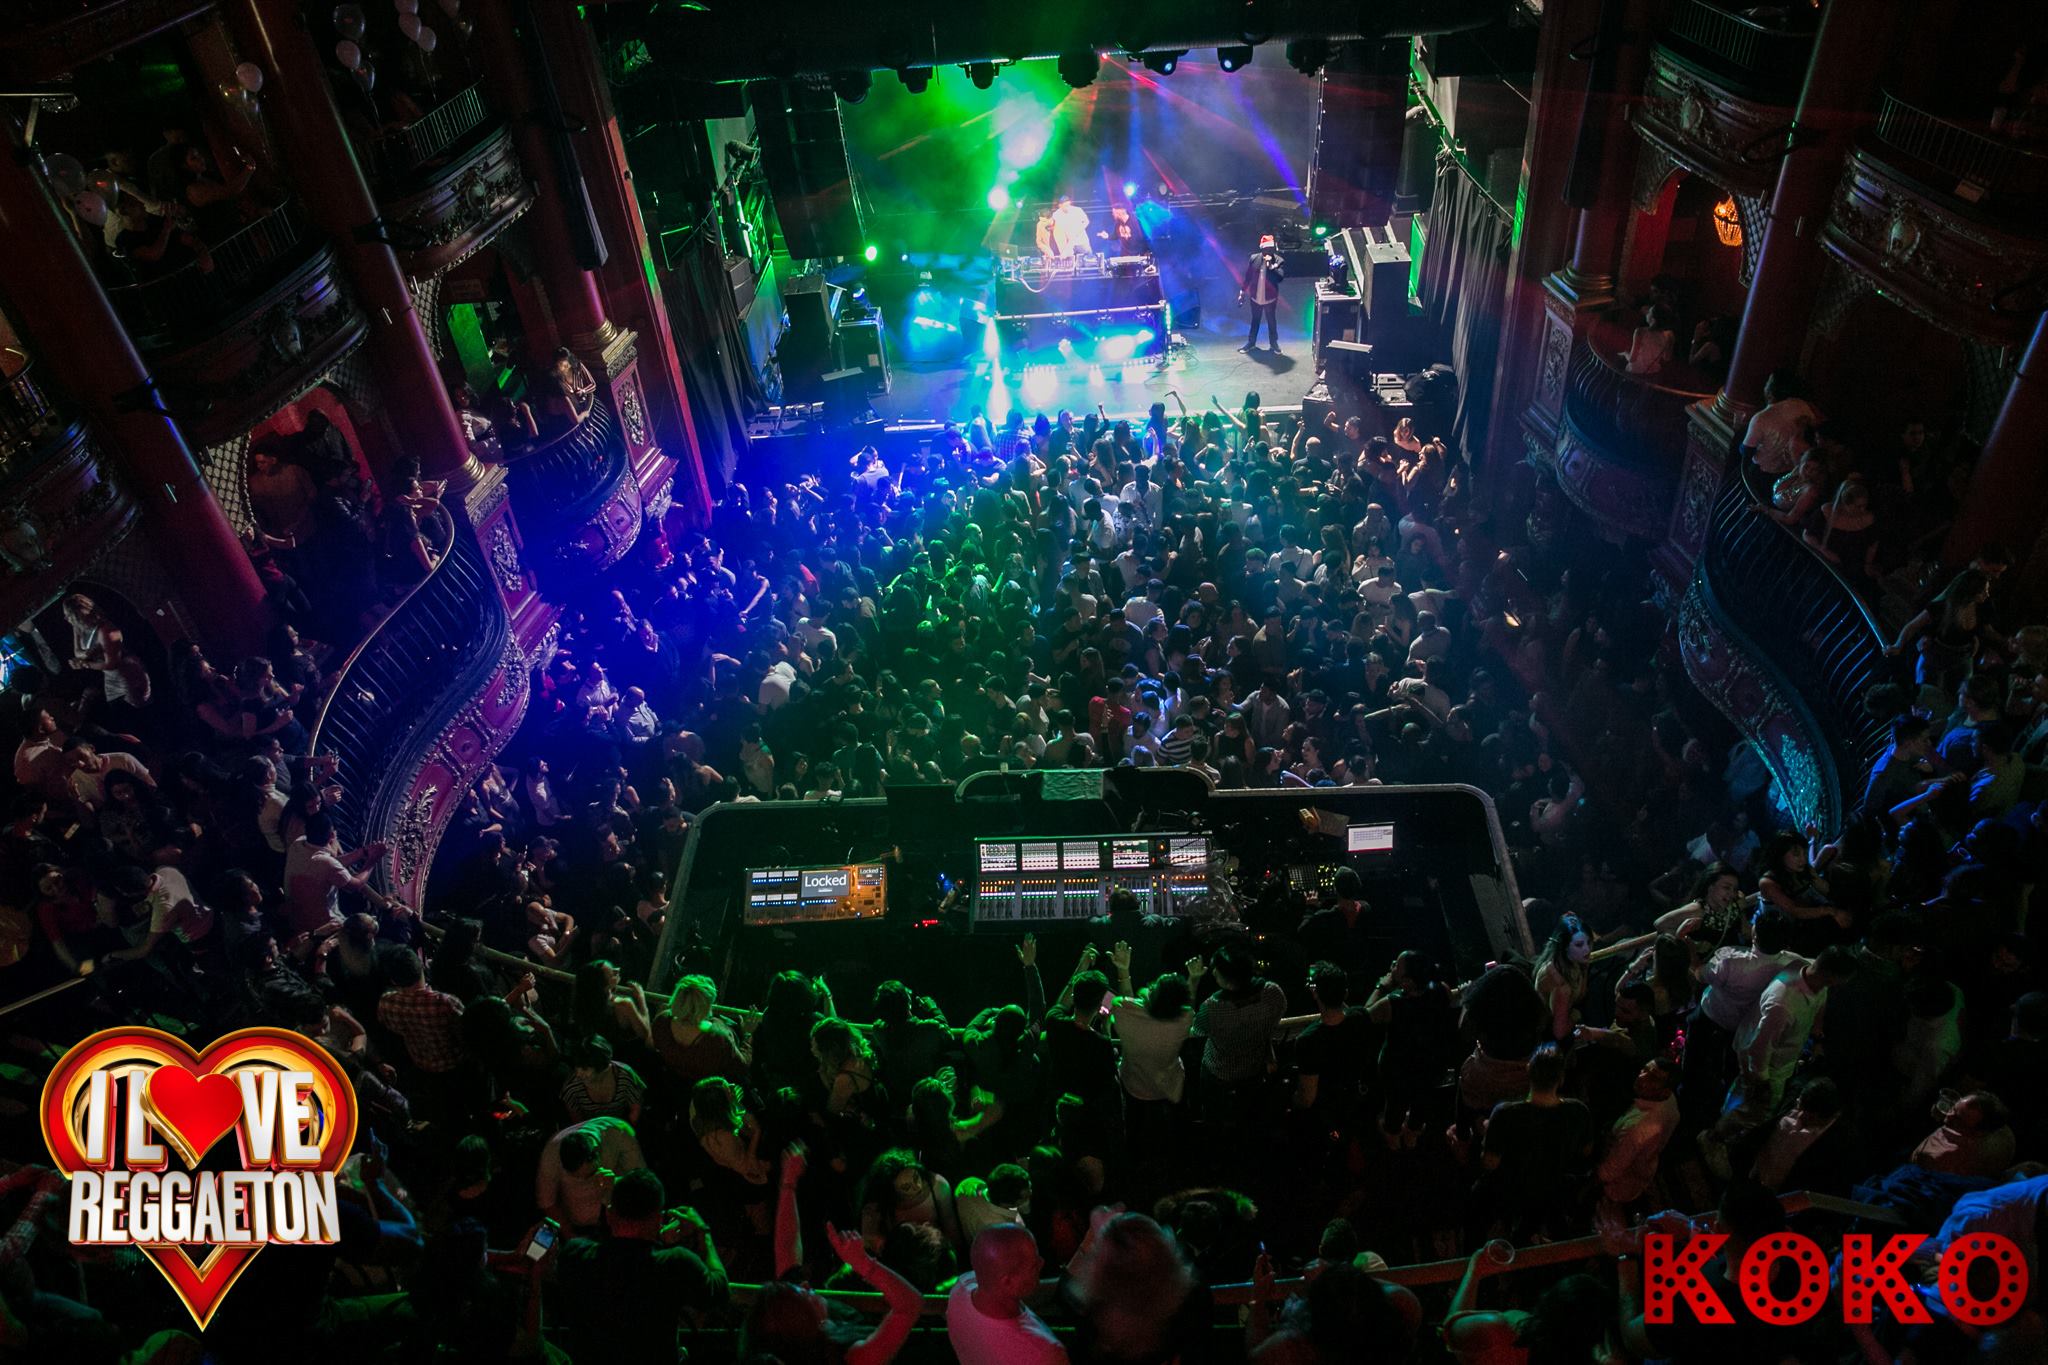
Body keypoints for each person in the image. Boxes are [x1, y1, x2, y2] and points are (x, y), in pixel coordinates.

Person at [1699, 944, 1860, 1175]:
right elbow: (1759, 1048)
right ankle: (1714, 1139)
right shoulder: (1783, 1004)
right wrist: (1761, 1080)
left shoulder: (1809, 969)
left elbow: (1821, 1000)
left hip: (1777, 1060)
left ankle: (1725, 1127)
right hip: (1765, 1065)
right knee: (1752, 1111)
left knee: (1743, 1101)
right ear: (1833, 977)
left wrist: (1817, 1036)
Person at [554, 1168, 728, 1365]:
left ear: (609, 1214)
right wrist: (703, 1232)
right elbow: (719, 1290)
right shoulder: (674, 1263)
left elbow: (621, 1254)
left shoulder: (575, 1256)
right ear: (659, 1219)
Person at [946, 1223, 1068, 1364]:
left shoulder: (961, 1286)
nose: (1042, 1262)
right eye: (1034, 1265)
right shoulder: (1044, 1353)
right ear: (1007, 1281)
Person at [1238, 234, 1286, 353]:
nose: (1268, 251)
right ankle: (1251, 342)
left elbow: (1280, 278)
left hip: (1270, 298)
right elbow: (1248, 277)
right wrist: (1242, 292)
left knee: (1271, 320)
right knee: (1255, 319)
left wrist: (1270, 266)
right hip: (1255, 296)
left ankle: (1274, 343)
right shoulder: (1254, 258)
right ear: (1262, 248)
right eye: (1266, 249)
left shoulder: (1279, 260)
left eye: (1270, 248)